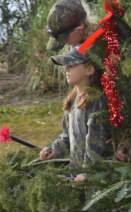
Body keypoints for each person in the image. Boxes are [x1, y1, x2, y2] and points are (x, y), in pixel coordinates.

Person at [39, 46, 113, 177]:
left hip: (97, 176)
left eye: (71, 65)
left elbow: (96, 142)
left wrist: (87, 172)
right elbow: (68, 134)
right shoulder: (73, 100)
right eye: (65, 66)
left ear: (89, 69)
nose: (66, 69)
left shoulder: (96, 100)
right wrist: (54, 149)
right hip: (77, 172)